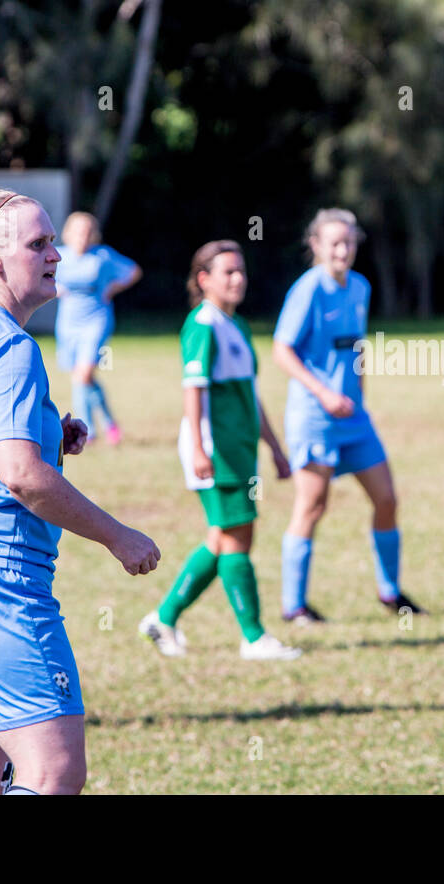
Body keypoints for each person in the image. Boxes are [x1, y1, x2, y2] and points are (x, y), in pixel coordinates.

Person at [0, 189, 160, 795]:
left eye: (53, 243)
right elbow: (19, 475)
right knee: (52, 772)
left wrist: (45, 432)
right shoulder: (11, 345)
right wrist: (119, 537)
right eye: (39, 245)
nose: (55, 256)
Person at [139, 240, 301, 661]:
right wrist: (198, 448)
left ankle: (163, 617)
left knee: (222, 537)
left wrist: (275, 448)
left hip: (241, 450)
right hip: (216, 451)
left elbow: (250, 393)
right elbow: (193, 389)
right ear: (203, 280)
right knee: (237, 538)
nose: (238, 279)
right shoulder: (202, 325)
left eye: (241, 271)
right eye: (228, 272)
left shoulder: (238, 326)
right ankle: (254, 637)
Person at [272, 207, 424, 624]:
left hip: (355, 419)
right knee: (312, 505)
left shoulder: (359, 287)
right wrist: (323, 393)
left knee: (387, 498)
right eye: (334, 242)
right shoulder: (308, 290)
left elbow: (356, 349)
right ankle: (293, 606)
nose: (343, 250)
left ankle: (390, 593)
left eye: (349, 242)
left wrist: (361, 396)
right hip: (315, 417)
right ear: (316, 245)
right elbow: (281, 350)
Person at [53, 211, 141, 444]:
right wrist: (54, 288)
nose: (83, 236)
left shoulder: (102, 256)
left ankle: (88, 431)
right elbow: (41, 276)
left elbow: (133, 271)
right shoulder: (59, 256)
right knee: (83, 377)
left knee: (83, 375)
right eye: (78, 232)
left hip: (96, 320)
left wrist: (112, 287)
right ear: (68, 233)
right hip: (68, 322)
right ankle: (111, 423)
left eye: (88, 232)